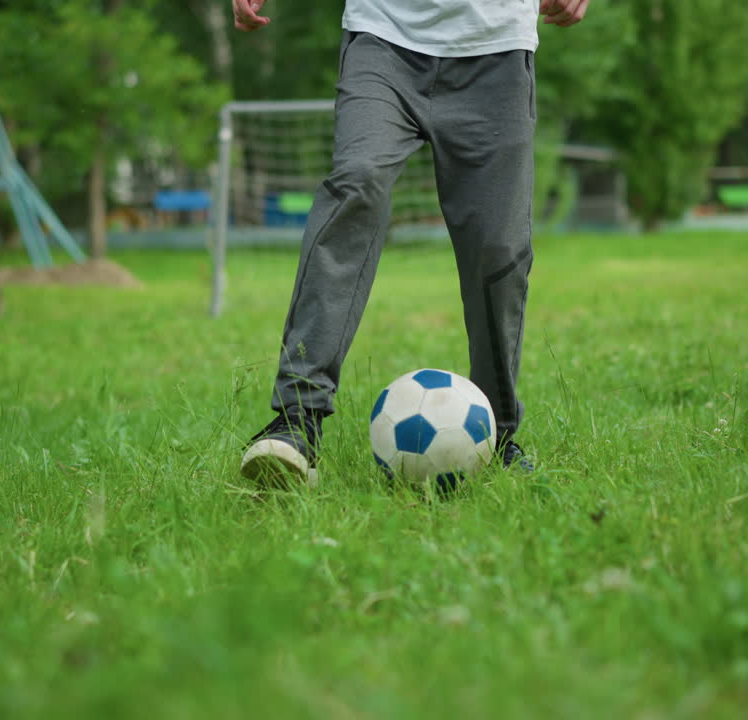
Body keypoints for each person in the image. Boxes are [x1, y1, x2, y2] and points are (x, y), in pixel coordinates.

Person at [234, 0, 591, 484]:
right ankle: (296, 423)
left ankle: (499, 434)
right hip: (383, 38)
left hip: (497, 51)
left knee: (498, 247)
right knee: (356, 183)